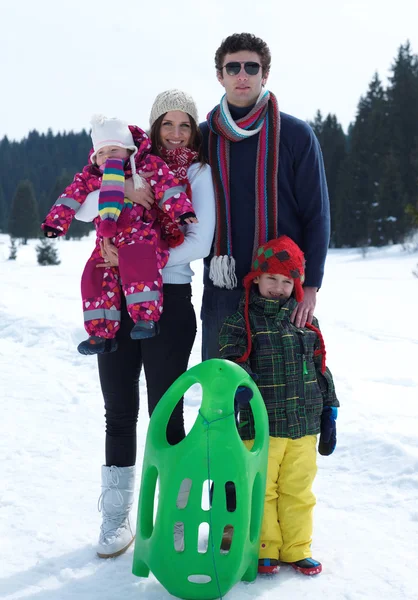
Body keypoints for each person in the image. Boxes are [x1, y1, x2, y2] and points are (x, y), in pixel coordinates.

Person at [76, 90, 215, 559]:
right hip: (115, 302)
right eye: (167, 124)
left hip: (170, 302)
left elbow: (201, 240)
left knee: (166, 410)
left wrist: (142, 260)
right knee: (118, 411)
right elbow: (79, 208)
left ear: (194, 131)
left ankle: (174, 516)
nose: (175, 133)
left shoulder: (197, 173)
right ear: (153, 128)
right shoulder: (127, 167)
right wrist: (121, 191)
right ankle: (116, 519)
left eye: (184, 125)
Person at [200, 33, 330, 361]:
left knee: (282, 395)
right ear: (220, 75)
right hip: (224, 286)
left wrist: (310, 285)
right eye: (233, 67)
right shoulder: (203, 137)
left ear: (264, 74)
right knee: (222, 389)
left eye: (251, 67)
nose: (242, 75)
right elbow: (165, 183)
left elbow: (317, 214)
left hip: (282, 288)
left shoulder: (296, 134)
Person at [219, 235, 339, 576]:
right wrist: (240, 385)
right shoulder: (242, 319)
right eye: (271, 278)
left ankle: (297, 548)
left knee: (299, 491)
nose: (278, 287)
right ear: (255, 277)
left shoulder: (305, 319)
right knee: (263, 489)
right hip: (262, 428)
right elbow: (229, 358)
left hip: (304, 426)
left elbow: (321, 366)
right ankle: (266, 548)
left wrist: (329, 410)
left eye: (287, 281)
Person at [42, 115, 197, 354]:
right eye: (102, 153)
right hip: (107, 240)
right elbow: (70, 198)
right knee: (94, 275)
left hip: (141, 235)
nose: (108, 157)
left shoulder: (148, 167)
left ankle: (146, 318)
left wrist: (182, 211)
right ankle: (100, 332)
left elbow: (168, 187)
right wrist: (56, 223)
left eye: (114, 149)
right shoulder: (90, 176)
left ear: (129, 151)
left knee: (138, 263)